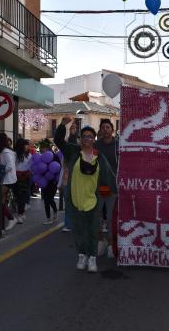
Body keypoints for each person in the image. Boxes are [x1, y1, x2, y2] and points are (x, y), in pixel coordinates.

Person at [54, 117, 116, 273]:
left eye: (90, 136)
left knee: (92, 230)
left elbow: (107, 178)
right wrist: (62, 125)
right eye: (84, 136)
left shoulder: (98, 156)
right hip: (75, 200)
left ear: (93, 139)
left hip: (93, 200)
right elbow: (59, 141)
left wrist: (106, 196)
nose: (87, 139)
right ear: (80, 139)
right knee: (78, 230)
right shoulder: (73, 151)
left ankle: (92, 258)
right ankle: (82, 255)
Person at [94, 118, 118, 257]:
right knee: (96, 218)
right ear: (100, 130)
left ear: (112, 129)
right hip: (98, 187)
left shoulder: (118, 145)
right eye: (103, 127)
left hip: (113, 188)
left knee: (110, 219)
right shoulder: (96, 145)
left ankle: (110, 245)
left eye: (108, 127)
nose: (105, 129)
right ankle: (100, 242)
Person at [0, 132, 18, 233]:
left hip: (7, 180)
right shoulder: (0, 152)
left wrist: (0, 171)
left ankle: (9, 220)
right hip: (2, 180)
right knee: (0, 203)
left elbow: (10, 166)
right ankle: (1, 227)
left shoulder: (6, 152)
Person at [38, 139, 59, 225]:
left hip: (52, 181)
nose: (41, 150)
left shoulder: (54, 156)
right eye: (40, 148)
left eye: (42, 148)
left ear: (47, 148)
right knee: (46, 200)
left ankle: (55, 211)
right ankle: (48, 218)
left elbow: (58, 168)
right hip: (44, 181)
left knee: (50, 199)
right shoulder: (41, 157)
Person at [13, 138, 32, 224]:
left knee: (22, 196)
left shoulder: (29, 155)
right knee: (18, 196)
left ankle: (21, 214)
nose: (27, 146)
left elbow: (31, 166)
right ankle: (21, 213)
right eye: (25, 144)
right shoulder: (15, 155)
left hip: (26, 177)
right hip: (17, 177)